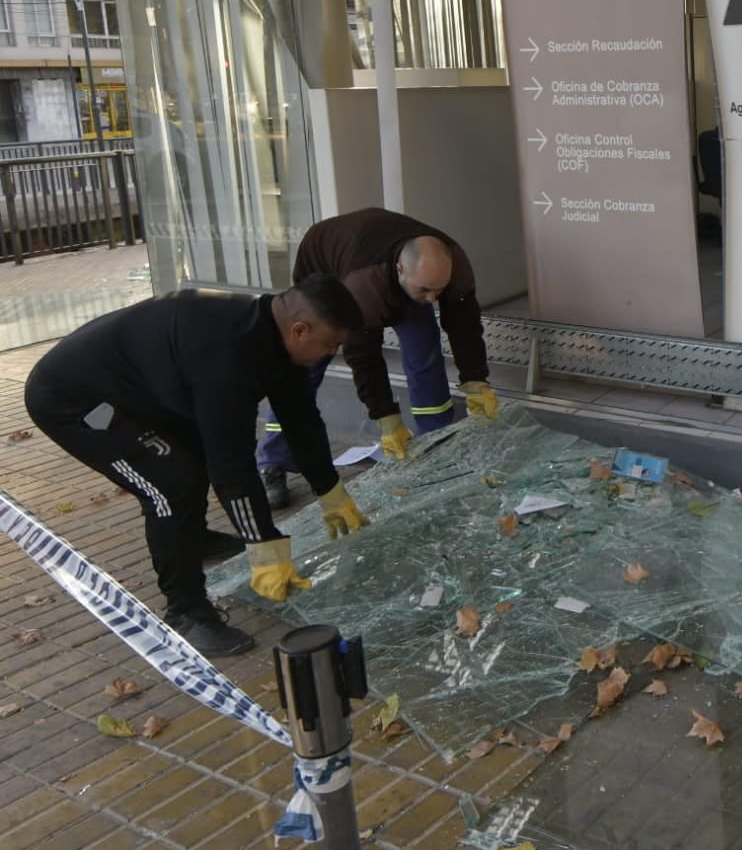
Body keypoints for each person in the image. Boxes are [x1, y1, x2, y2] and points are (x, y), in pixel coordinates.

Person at [24, 277, 371, 657]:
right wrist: (264, 545)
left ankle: (192, 539)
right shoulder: (228, 354)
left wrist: (330, 490)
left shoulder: (279, 342)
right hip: (75, 401)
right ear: (300, 329)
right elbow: (231, 461)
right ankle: (185, 613)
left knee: (190, 457)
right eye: (330, 344)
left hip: (145, 392)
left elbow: (300, 419)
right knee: (173, 486)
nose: (331, 353)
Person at [257, 209, 498, 507]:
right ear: (400, 270)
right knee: (303, 369)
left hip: (386, 271)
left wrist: (475, 379)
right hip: (328, 270)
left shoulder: (448, 267)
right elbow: (363, 355)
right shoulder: (363, 284)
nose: (434, 299)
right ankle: (272, 461)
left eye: (439, 290)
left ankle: (437, 446)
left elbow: (465, 325)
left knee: (425, 355)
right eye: (426, 290)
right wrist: (386, 417)